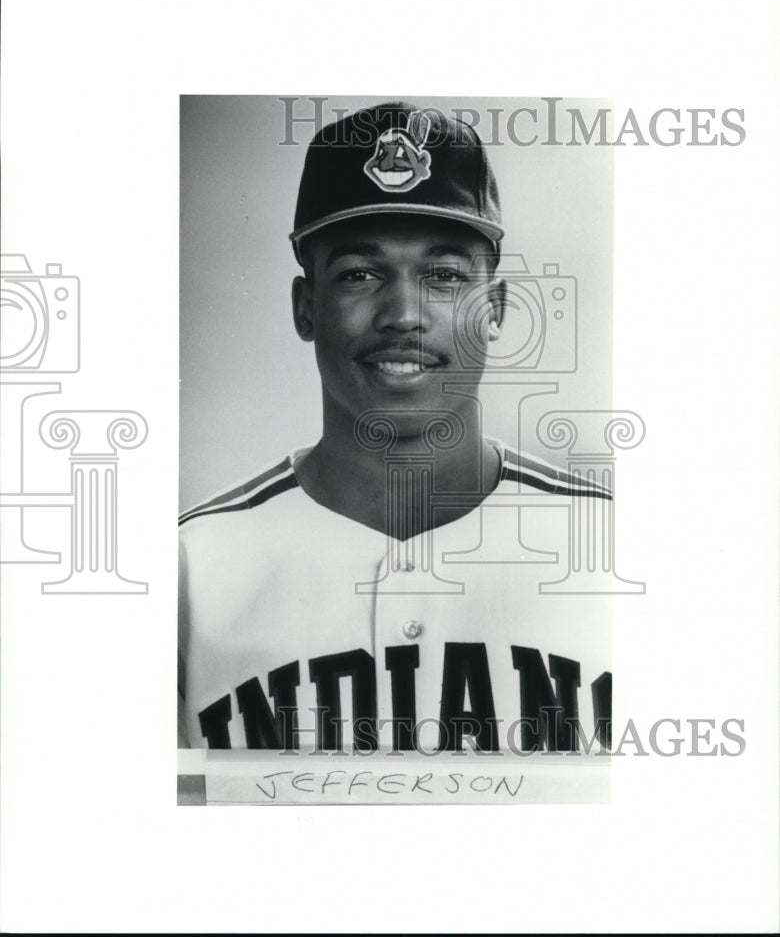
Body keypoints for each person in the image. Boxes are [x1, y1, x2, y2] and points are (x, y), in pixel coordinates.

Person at [178, 102, 612, 756]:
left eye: (442, 275)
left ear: (494, 308)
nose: (404, 314)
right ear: (305, 308)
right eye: (359, 274)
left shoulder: (615, 551)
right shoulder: (190, 568)